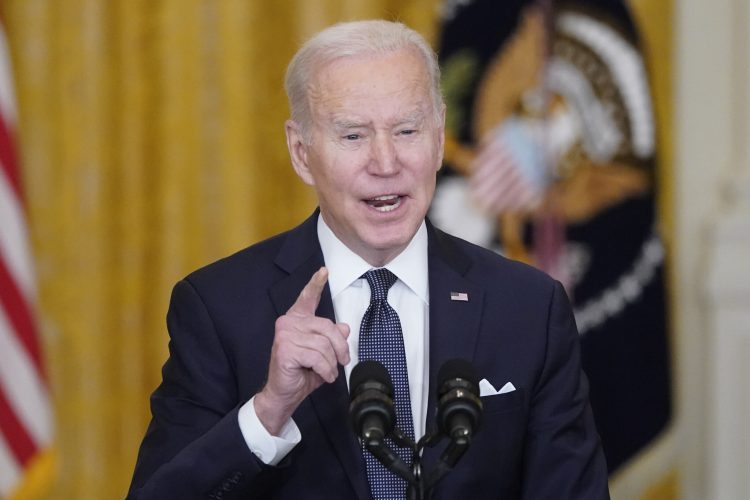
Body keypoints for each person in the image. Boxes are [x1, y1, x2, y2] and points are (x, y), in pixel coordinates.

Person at [127, 20, 609, 500]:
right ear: (301, 151)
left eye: (406, 130)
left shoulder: (528, 307)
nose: (385, 162)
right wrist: (268, 411)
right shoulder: (220, 308)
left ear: (439, 139)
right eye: (354, 136)